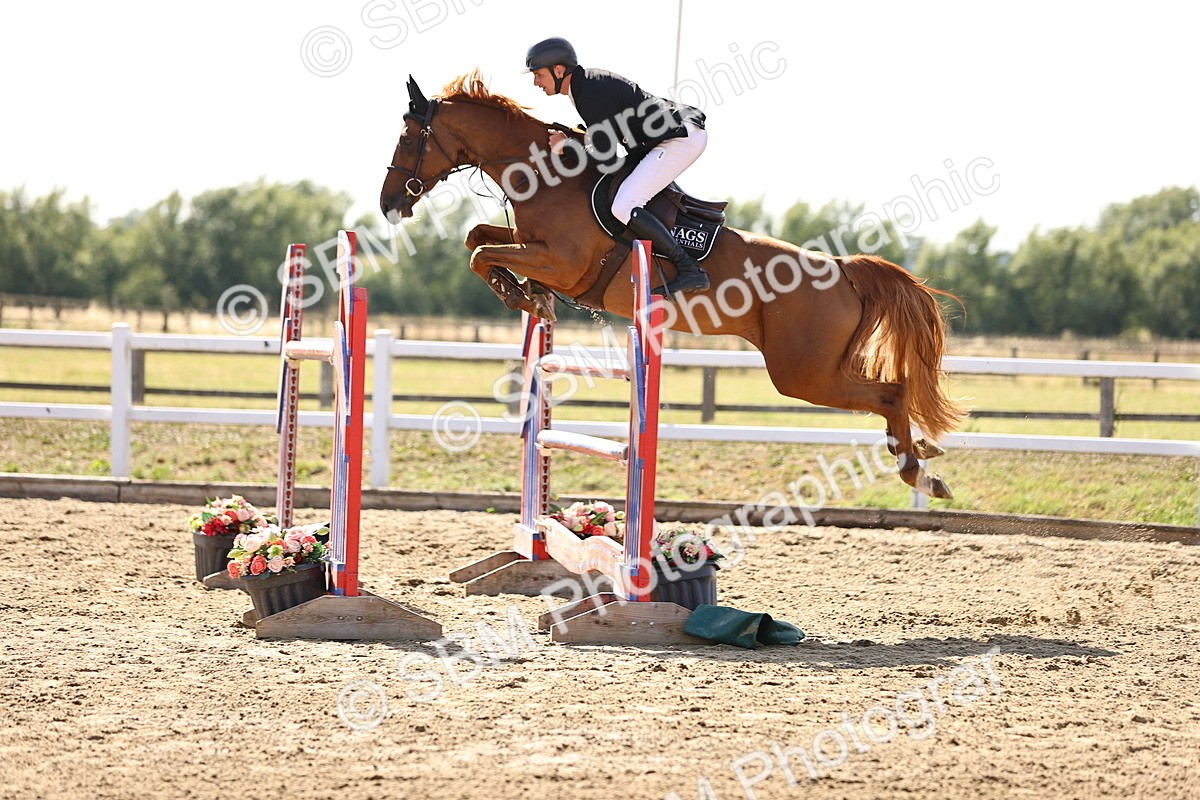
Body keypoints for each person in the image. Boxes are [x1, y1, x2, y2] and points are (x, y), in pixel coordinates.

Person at [526, 36, 711, 296]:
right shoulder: (583, 86)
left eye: (538, 75)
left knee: (624, 205)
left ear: (558, 70)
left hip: (677, 140)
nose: (536, 83)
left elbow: (606, 159)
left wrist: (566, 146)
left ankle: (689, 268)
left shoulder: (588, 91)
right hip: (666, 136)